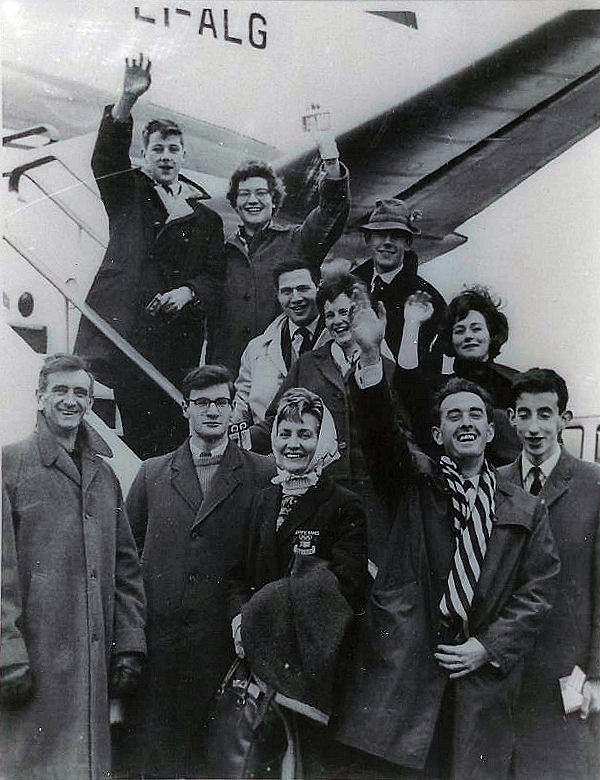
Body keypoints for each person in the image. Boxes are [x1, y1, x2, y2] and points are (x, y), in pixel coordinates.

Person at [333, 293, 560, 780]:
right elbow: (379, 435)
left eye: (475, 415)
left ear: (491, 428)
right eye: (453, 416)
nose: (466, 423)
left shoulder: (524, 505)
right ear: (437, 435)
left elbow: (537, 593)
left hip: (481, 677)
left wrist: (489, 645)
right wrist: (372, 358)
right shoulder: (417, 482)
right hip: (413, 671)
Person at [122, 365, 274, 778]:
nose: (212, 411)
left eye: (221, 402)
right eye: (202, 403)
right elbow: (127, 553)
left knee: (220, 761)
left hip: (225, 647)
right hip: (162, 647)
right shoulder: (152, 473)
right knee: (160, 761)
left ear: (233, 408)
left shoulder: (262, 472)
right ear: (185, 409)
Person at [0, 354, 146, 780]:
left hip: (92, 668)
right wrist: (8, 657)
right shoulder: (10, 467)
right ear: (40, 396)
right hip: (33, 666)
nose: (70, 400)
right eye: (60, 390)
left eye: (80, 392)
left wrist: (130, 643)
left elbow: (127, 569)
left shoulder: (104, 476)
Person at [75, 54, 225, 459]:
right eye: (157, 148)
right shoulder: (129, 194)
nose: (165, 156)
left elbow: (215, 275)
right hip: (131, 339)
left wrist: (188, 293)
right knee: (140, 441)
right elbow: (105, 157)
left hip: (176, 343)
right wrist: (126, 100)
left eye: (173, 149)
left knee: (173, 440)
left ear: (182, 156)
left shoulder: (206, 218)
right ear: (145, 153)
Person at [227, 387, 368, 777]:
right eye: (285, 433)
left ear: (321, 440)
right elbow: (239, 574)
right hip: (255, 657)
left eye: (305, 434)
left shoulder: (342, 504)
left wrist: (261, 611)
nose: (293, 444)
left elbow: (348, 586)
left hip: (311, 664)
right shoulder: (262, 499)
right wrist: (240, 618)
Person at [251, 272, 398, 564]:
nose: (338, 321)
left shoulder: (386, 369)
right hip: (320, 495)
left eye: (346, 312)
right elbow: (274, 421)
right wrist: (239, 437)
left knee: (374, 575)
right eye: (330, 315)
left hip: (374, 496)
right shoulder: (307, 364)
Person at [500, 368, 600, 780]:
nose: (535, 427)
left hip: (568, 670)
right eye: (524, 414)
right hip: (506, 671)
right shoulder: (497, 484)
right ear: (511, 418)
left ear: (565, 418)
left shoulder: (594, 484)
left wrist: (596, 674)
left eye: (546, 413)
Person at [210, 134, 350, 373]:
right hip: (231, 373)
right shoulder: (221, 253)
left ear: (274, 200)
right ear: (234, 203)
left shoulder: (297, 241)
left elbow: (331, 211)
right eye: (244, 194)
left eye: (261, 193)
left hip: (286, 370)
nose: (252, 200)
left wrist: (331, 163)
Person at [352, 198, 446, 373]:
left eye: (396, 235)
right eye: (380, 234)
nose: (387, 242)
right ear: (368, 239)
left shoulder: (427, 299)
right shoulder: (350, 287)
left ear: (408, 243)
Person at [231, 259, 329, 426]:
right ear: (277, 295)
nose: (296, 298)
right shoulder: (257, 348)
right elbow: (241, 408)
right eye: (287, 292)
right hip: (265, 447)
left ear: (318, 287)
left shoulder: (341, 340)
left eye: (303, 289)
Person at [438, 286, 521, 465]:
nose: (468, 336)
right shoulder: (440, 387)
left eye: (476, 329)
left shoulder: (515, 382)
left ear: (491, 334)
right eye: (459, 331)